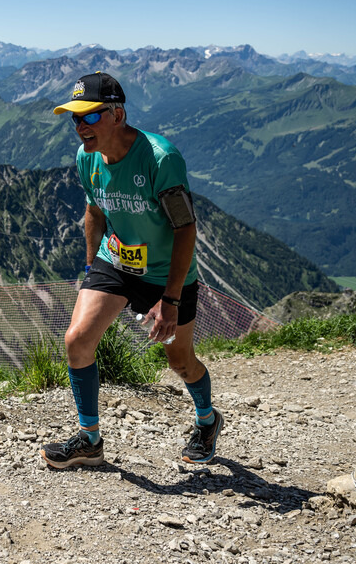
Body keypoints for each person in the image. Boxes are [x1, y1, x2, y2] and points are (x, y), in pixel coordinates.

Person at [39, 71, 222, 469]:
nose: (80, 127)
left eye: (89, 117)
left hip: (166, 274)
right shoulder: (86, 157)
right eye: (75, 118)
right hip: (116, 261)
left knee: (180, 362)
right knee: (77, 341)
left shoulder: (160, 159)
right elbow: (94, 210)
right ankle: (90, 440)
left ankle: (207, 420)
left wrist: (170, 299)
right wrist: (91, 267)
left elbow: (186, 228)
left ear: (117, 115)